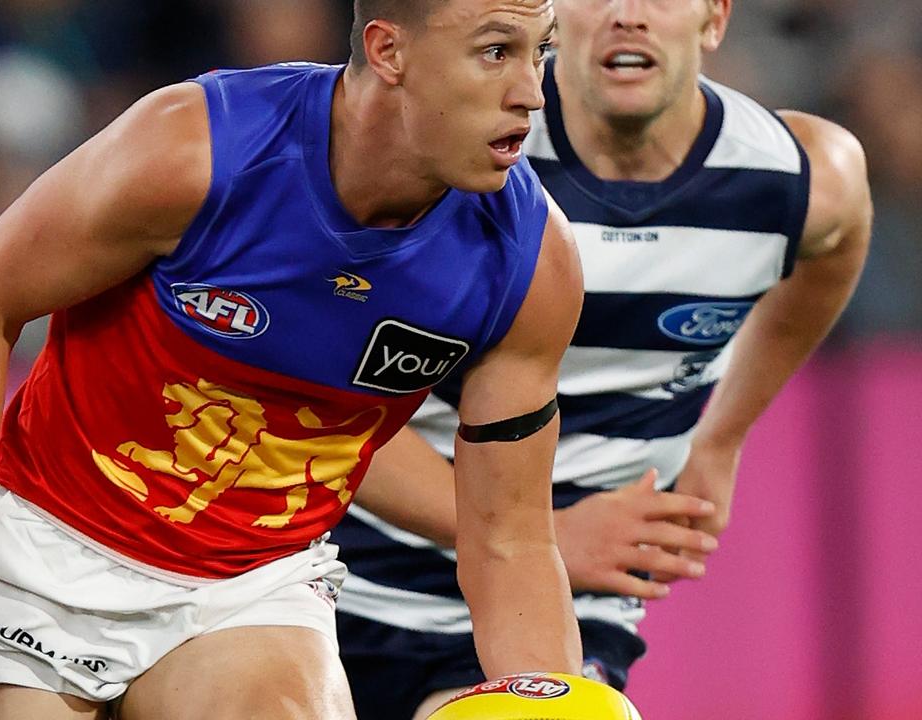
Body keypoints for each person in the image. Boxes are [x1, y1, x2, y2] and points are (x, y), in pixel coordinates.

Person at [0, 1, 586, 718]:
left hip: (248, 585)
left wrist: (560, 704)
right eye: (496, 51)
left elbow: (510, 540)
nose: (532, 90)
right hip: (45, 549)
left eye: (542, 52)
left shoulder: (531, 265)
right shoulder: (198, 149)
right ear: (388, 51)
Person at [330, 1, 873, 718]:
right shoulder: (464, 159)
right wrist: (555, 533)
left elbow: (836, 244)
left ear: (713, 19)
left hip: (555, 604)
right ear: (552, 24)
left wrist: (725, 432)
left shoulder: (795, 177)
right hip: (340, 574)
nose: (627, 15)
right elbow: (323, 413)